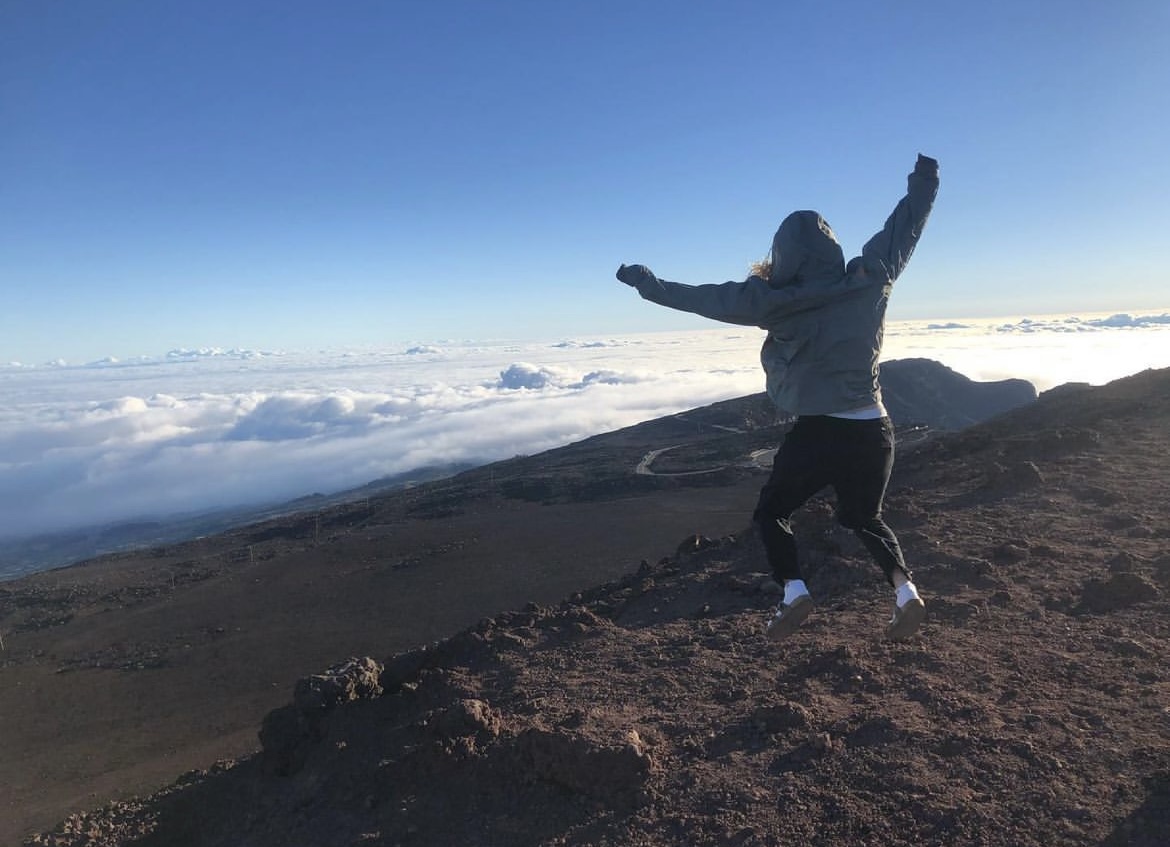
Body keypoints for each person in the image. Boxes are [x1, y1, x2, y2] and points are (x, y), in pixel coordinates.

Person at [616, 153, 940, 641]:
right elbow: (906, 226)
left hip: (818, 430)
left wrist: (649, 285)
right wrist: (925, 180)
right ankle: (905, 591)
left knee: (772, 512)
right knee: (864, 518)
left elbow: (705, 298)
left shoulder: (770, 300)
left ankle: (794, 592)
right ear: (832, 248)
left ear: (782, 254)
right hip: (874, 427)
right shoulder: (871, 278)